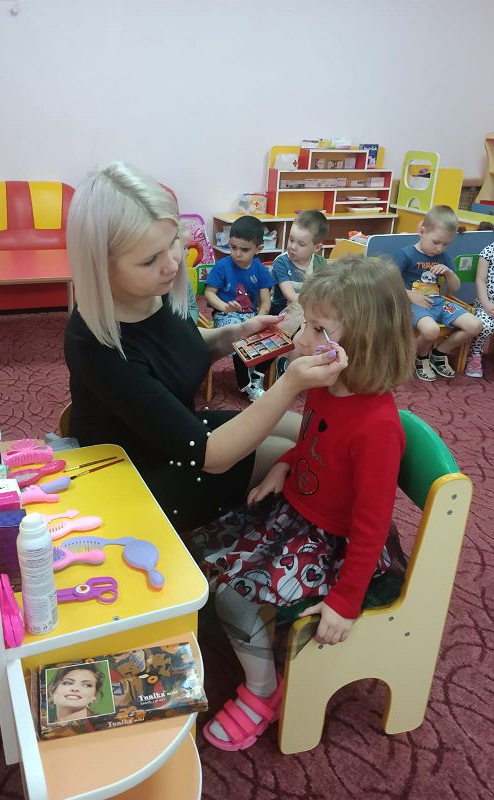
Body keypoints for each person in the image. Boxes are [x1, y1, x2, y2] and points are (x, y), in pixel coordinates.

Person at [195, 256, 414, 751]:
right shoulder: (325, 384)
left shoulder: (378, 427)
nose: (300, 338)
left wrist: (345, 602)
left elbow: (372, 523)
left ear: (364, 342)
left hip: (333, 544)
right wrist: (285, 464)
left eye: (318, 329)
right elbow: (314, 439)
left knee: (231, 595)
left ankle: (262, 692)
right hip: (297, 513)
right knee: (211, 556)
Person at [64, 162, 346, 535]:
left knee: (307, 431)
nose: (172, 264)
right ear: (102, 266)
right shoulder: (95, 344)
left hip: (174, 434)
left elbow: (176, 349)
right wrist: (290, 383)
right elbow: (212, 457)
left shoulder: (153, 292)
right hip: (137, 474)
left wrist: (235, 334)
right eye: (149, 259)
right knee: (303, 454)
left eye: (173, 243)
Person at [392, 205, 482, 381]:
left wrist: (449, 273)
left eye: (445, 244)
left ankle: (439, 353)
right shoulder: (405, 254)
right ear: (422, 232)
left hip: (438, 302)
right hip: (413, 304)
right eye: (436, 242)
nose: (440, 248)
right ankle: (421, 357)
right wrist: (409, 294)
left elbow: (455, 287)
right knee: (431, 330)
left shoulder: (443, 257)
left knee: (475, 325)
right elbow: (389, 282)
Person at [204, 216, 274, 401]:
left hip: (250, 316)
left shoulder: (260, 270)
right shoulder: (222, 266)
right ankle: (246, 384)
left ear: (258, 249)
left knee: (275, 338)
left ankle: (257, 375)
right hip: (225, 317)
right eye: (233, 247)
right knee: (239, 340)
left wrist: (259, 319)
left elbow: (265, 303)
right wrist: (224, 307)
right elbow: (209, 293)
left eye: (244, 249)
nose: (237, 254)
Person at [270, 210, 329, 316]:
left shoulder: (321, 263)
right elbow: (290, 295)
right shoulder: (281, 262)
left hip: (308, 311)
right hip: (282, 313)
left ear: (316, 248)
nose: (293, 247)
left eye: (301, 244)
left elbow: (323, 292)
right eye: (291, 240)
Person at [465, 240, 494, 377]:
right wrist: (487, 305)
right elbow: (480, 281)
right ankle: (475, 355)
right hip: (487, 305)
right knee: (485, 325)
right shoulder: (488, 252)